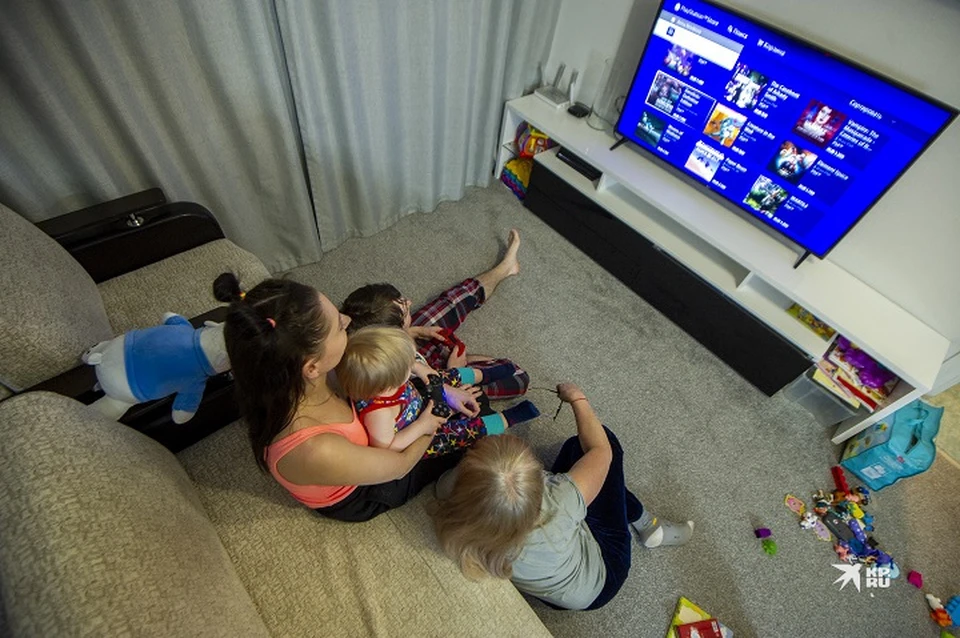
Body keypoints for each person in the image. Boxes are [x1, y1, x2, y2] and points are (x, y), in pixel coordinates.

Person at [211, 231, 527, 523]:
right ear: (312, 367)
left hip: (389, 409)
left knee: (414, 322)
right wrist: (436, 410)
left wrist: (413, 346)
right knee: (483, 409)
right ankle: (477, 377)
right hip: (380, 480)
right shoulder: (315, 449)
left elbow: (387, 353)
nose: (348, 320)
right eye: (339, 325)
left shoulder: (293, 366)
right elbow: (399, 465)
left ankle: (501, 272)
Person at [432, 383, 694, 610]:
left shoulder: (453, 492)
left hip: (556, 597)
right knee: (592, 444)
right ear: (541, 487)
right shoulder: (560, 501)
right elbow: (601, 451)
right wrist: (578, 398)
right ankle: (647, 523)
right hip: (602, 578)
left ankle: (635, 516)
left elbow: (455, 482)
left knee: (574, 453)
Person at [339, 229, 529, 399]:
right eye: (405, 310)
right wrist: (454, 370)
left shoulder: (356, 328)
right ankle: (461, 362)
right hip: (435, 384)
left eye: (403, 301)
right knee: (517, 377)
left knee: (451, 302)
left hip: (408, 351)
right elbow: (430, 394)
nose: (410, 302)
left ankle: (506, 267)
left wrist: (413, 331)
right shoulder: (383, 377)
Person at [336, 326, 540, 457]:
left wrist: (418, 368)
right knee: (457, 435)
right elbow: (387, 448)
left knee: (444, 376)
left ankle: (483, 374)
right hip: (416, 433)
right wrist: (422, 426)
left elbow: (416, 370)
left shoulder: (381, 381)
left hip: (414, 401)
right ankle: (506, 419)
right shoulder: (378, 414)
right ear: (389, 384)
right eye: (409, 364)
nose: (414, 363)